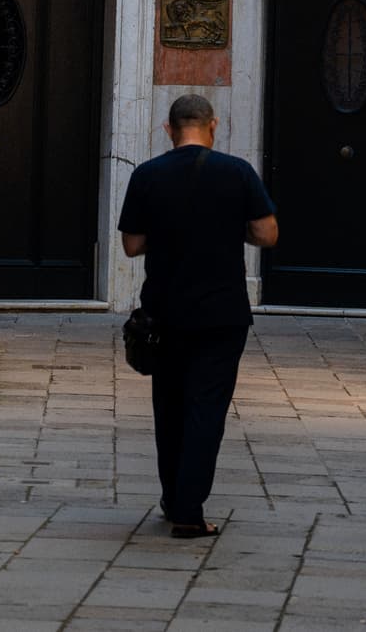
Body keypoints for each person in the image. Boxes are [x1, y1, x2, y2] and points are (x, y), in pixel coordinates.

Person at [118, 93, 278, 538]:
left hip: (164, 313)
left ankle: (174, 499)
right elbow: (268, 233)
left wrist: (167, 236)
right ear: (213, 125)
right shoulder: (237, 172)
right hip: (222, 313)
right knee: (206, 409)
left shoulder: (147, 175)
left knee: (169, 408)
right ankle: (189, 509)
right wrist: (230, 231)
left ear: (168, 130)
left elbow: (131, 245)